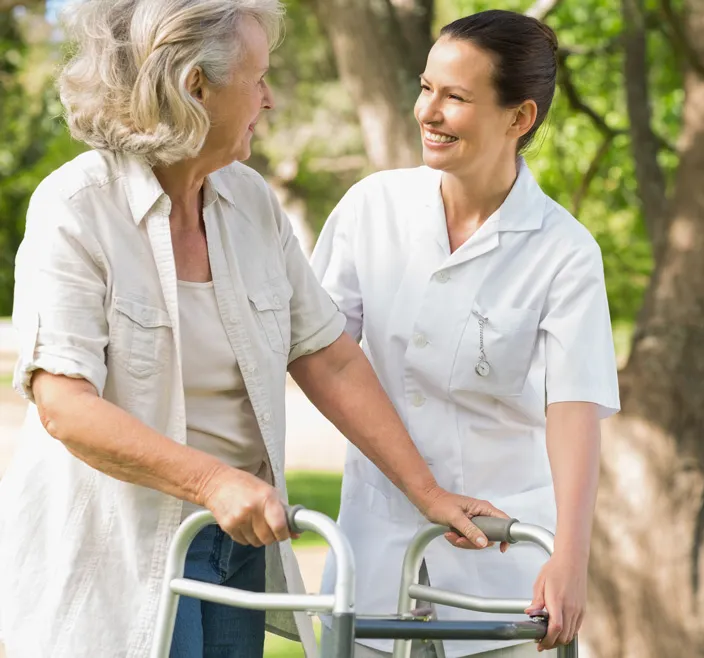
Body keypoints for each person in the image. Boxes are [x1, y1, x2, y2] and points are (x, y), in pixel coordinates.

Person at [0, 1, 504, 657]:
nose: (269, 100)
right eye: (258, 78)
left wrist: (426, 490)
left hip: (234, 545)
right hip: (119, 548)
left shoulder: (250, 202)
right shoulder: (76, 208)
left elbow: (328, 357)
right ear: (194, 86)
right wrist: (213, 481)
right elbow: (64, 405)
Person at [311, 9, 621, 657]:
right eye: (426, 88)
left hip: (499, 567)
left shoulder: (564, 251)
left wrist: (570, 556)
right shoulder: (373, 209)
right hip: (375, 551)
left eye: (455, 97)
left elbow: (574, 408)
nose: (428, 111)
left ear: (519, 118)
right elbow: (318, 354)